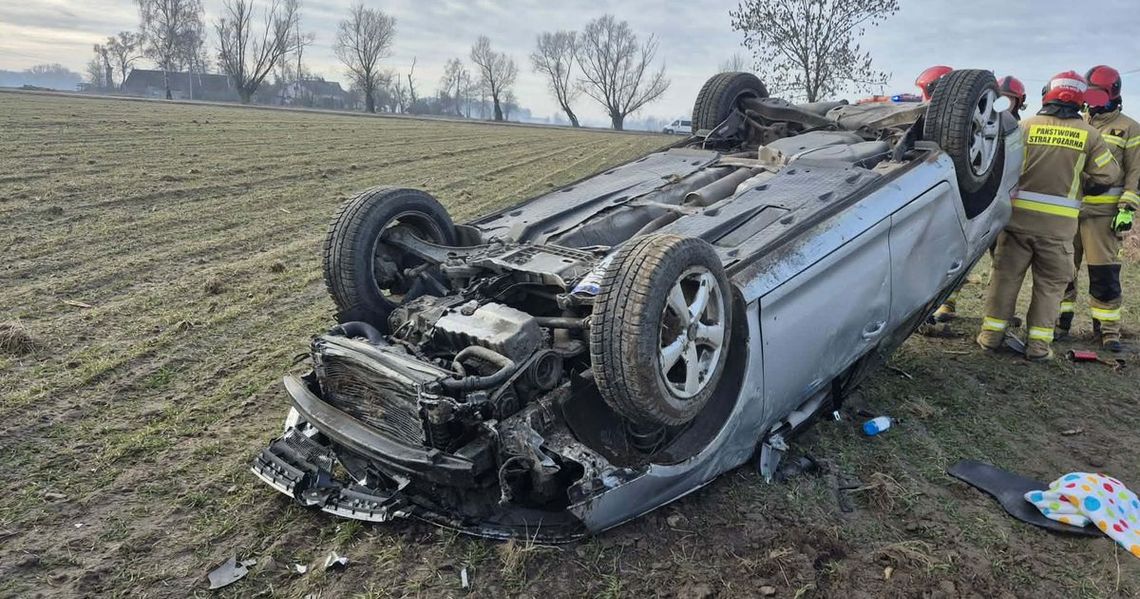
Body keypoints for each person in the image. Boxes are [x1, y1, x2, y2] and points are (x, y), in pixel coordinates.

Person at [977, 72, 1121, 361]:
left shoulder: (1026, 126)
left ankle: (990, 337)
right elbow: (1109, 174)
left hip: (1016, 223)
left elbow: (1002, 166)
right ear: (1080, 100)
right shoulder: (1089, 135)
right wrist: (1085, 184)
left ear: (1047, 95)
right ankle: (1038, 347)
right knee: (1049, 287)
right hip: (1058, 232)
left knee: (1004, 280)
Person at [932, 74, 1028, 322]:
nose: (1004, 105)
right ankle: (945, 305)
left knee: (1004, 267)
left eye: (1010, 100)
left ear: (1020, 102)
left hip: (1006, 207)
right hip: (980, 205)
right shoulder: (979, 128)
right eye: (1001, 100)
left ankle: (999, 314)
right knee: (963, 259)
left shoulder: (1020, 130)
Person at [1056, 65, 1140, 352]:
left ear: (1112, 94)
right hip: (1072, 211)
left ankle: (1107, 330)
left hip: (1103, 217)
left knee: (1104, 273)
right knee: (1063, 270)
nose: (1091, 100)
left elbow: (1134, 172)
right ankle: (1060, 321)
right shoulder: (1078, 123)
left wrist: (1127, 206)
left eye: (1097, 94)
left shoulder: (1129, 128)